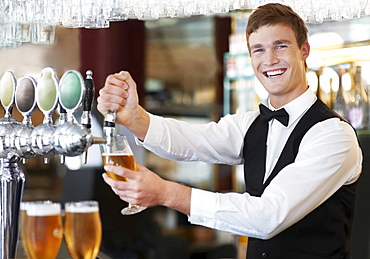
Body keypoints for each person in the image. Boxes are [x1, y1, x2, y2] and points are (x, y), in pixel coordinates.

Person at [97, 3, 362, 258]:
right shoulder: (250, 124)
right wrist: (135, 118)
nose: (269, 59)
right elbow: (193, 140)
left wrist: (168, 194)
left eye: (280, 46)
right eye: (258, 50)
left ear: (304, 50)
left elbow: (269, 215)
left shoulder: (333, 135)